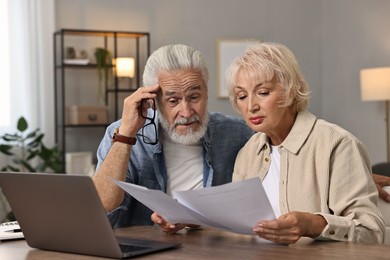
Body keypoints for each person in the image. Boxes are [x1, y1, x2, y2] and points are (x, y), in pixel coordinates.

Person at [225, 41, 385, 244]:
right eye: (241, 96)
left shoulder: (338, 145)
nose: (251, 106)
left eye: (263, 92)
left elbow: (372, 233)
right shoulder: (248, 152)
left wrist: (314, 224)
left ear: (290, 90)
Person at [92, 44, 254, 229]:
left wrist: (198, 222)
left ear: (206, 94)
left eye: (194, 97)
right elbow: (102, 207)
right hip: (146, 249)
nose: (186, 112)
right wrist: (125, 135)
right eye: (173, 101)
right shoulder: (122, 132)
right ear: (152, 102)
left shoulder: (237, 133)